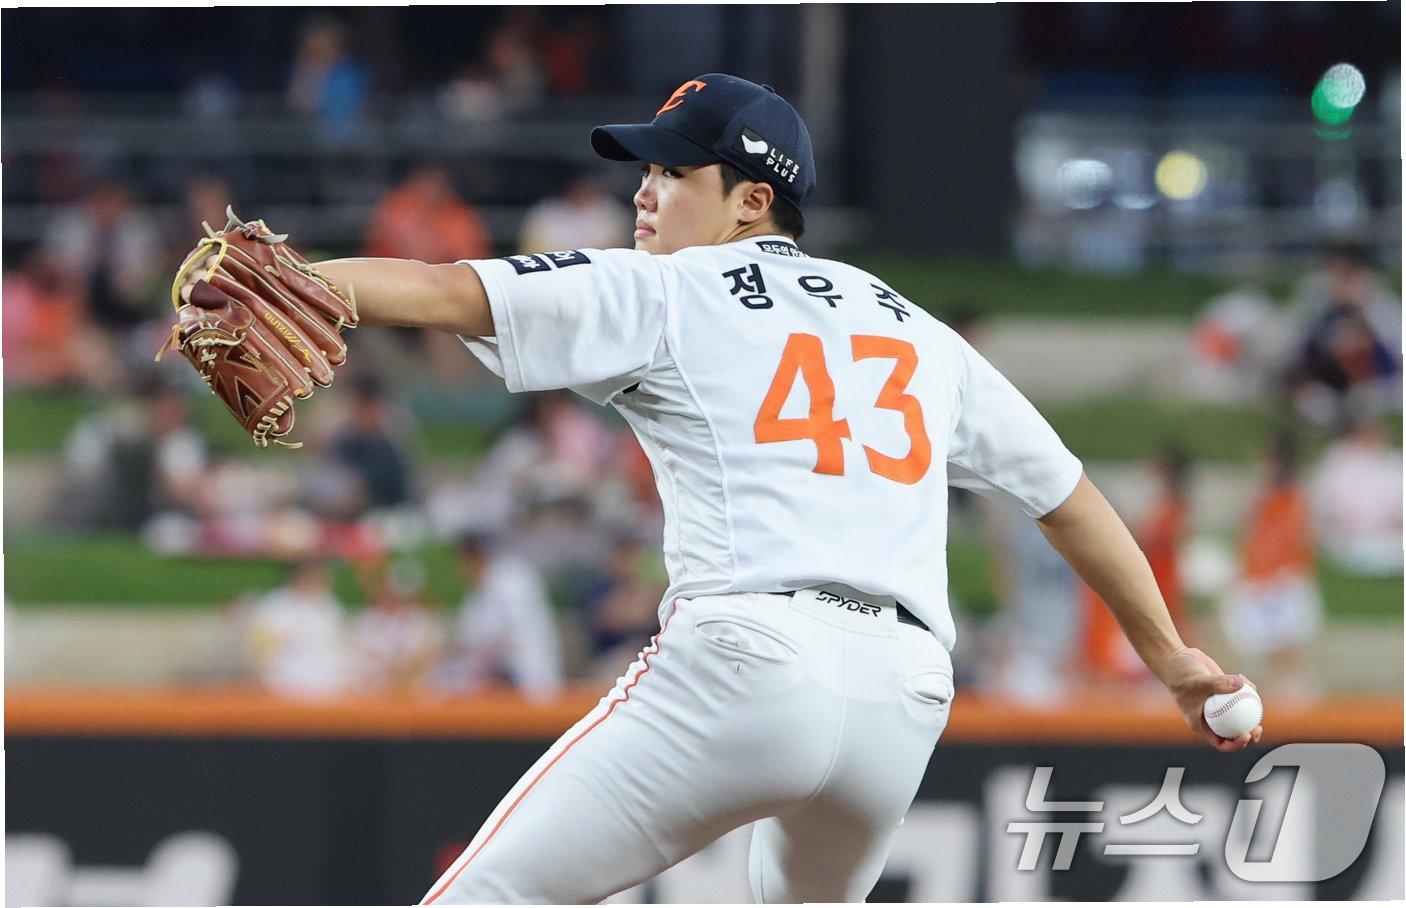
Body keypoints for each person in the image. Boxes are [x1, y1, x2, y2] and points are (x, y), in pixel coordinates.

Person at [216, 73, 1258, 904]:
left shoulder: (669, 288)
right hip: (904, 694)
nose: (644, 190)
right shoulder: (915, 328)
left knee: (490, 893)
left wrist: (284, 281)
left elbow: (446, 291)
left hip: (748, 658)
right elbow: (1067, 497)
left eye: (674, 171)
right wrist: (1171, 655)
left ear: (752, 199)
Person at [1221, 433, 1322, 701]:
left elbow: (1293, 538)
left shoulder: (1292, 497)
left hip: (1281, 577)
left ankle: (1291, 682)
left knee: (1286, 633)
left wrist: (1277, 573)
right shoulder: (1265, 497)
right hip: (1260, 576)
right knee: (1264, 636)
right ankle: (1279, 681)